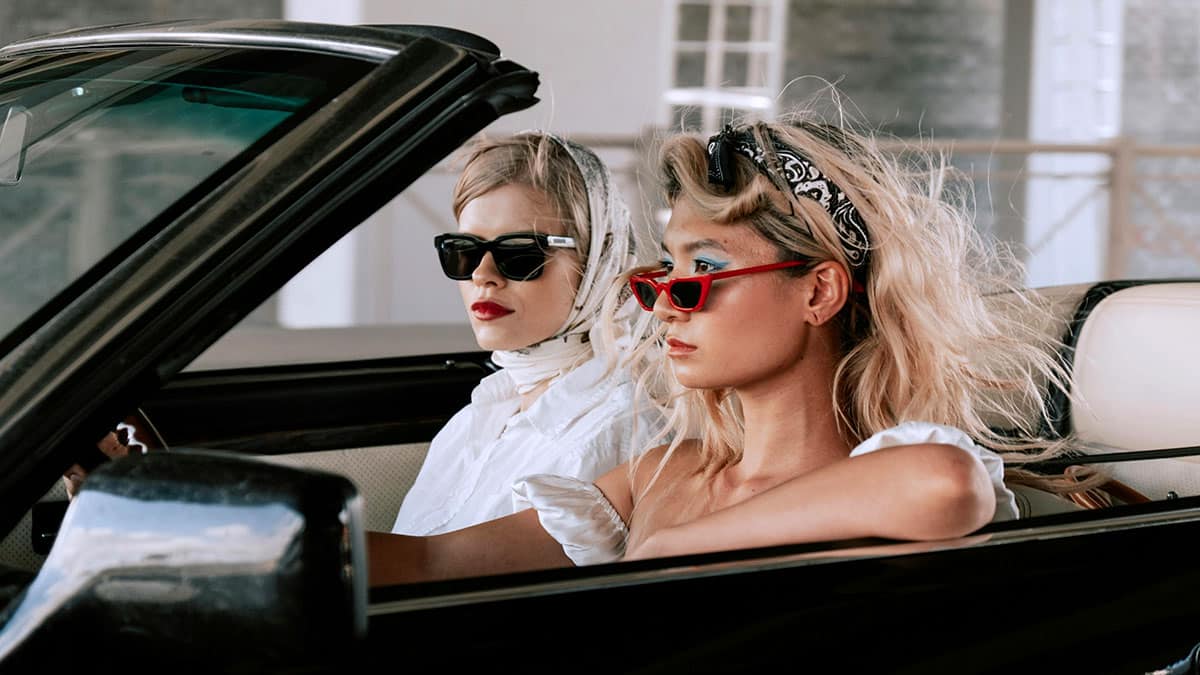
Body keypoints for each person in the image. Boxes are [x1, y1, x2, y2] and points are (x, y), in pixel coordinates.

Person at [390, 131, 664, 535]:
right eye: (462, 251)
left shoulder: (621, 431)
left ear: (596, 264)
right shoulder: (473, 420)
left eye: (520, 253)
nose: (482, 276)